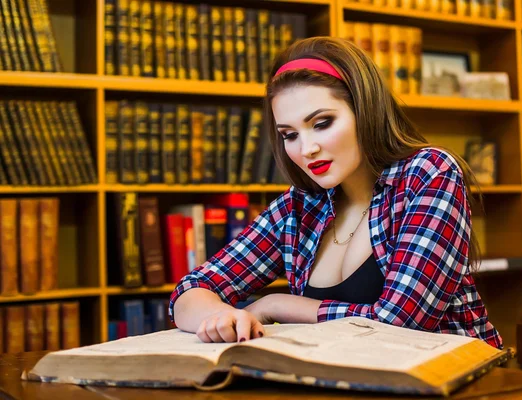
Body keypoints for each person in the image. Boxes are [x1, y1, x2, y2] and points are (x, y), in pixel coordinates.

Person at [169, 36, 503, 349]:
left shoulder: (428, 173)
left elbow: (400, 323)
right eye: (289, 135)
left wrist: (277, 304)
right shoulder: (299, 207)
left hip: (455, 384)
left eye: (322, 123)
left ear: (364, 111)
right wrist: (218, 318)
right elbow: (192, 289)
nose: (307, 149)